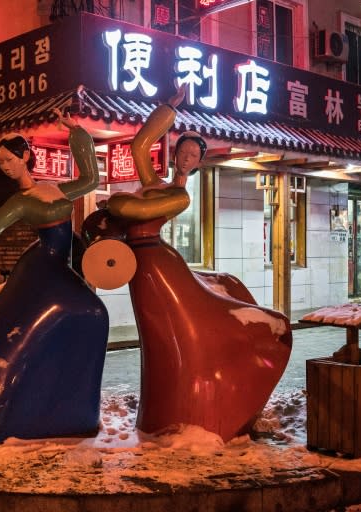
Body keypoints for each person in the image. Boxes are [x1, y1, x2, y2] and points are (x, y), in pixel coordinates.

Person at [87, 86, 293, 442]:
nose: (186, 157)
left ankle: (191, 408)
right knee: (161, 339)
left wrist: (115, 203)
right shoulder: (156, 182)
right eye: (182, 151)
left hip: (157, 260)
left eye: (193, 155)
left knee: (181, 334)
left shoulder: (178, 196)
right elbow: (139, 145)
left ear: (198, 164)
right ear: (174, 154)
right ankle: (164, 409)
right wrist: (168, 108)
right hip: (147, 264)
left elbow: (135, 210)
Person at [0, 109, 108, 444]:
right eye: (1, 163)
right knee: (86, 313)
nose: (5, 166)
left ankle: (70, 405)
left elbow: (90, 180)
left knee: (91, 314)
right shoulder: (20, 201)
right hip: (42, 266)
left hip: (58, 265)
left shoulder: (56, 189)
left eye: (9, 159)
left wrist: (77, 133)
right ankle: (11, 403)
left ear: (25, 156)